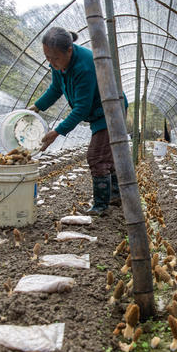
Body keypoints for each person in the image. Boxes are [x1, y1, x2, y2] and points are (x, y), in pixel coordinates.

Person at [29, 27, 125, 216]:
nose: (51, 62)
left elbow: (82, 108)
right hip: (97, 112)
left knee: (97, 157)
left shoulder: (85, 66)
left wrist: (57, 132)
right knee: (106, 157)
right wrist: (37, 106)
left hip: (110, 111)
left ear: (69, 50)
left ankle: (101, 206)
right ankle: (114, 196)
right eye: (47, 57)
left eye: (55, 58)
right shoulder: (58, 64)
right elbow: (56, 88)